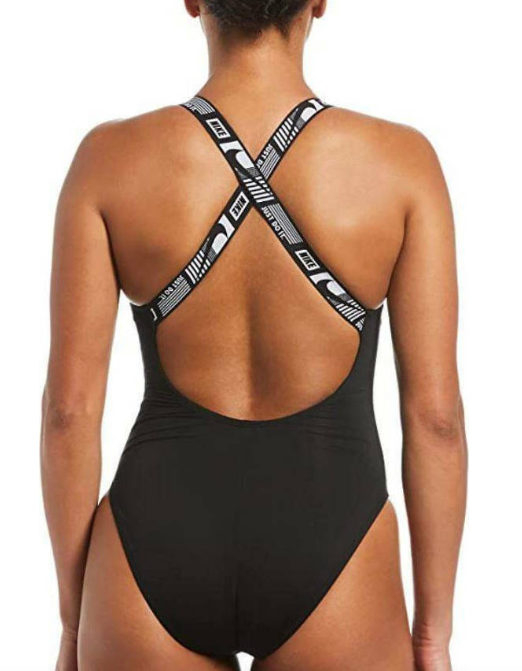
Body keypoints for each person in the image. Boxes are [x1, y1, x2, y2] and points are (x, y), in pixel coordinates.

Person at [41, 1, 468, 669]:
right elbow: (437, 421)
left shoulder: (109, 160)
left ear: (193, 2)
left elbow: (68, 413)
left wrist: (74, 623)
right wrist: (432, 636)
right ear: (319, 2)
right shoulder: (401, 164)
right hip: (336, 544)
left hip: (153, 541)